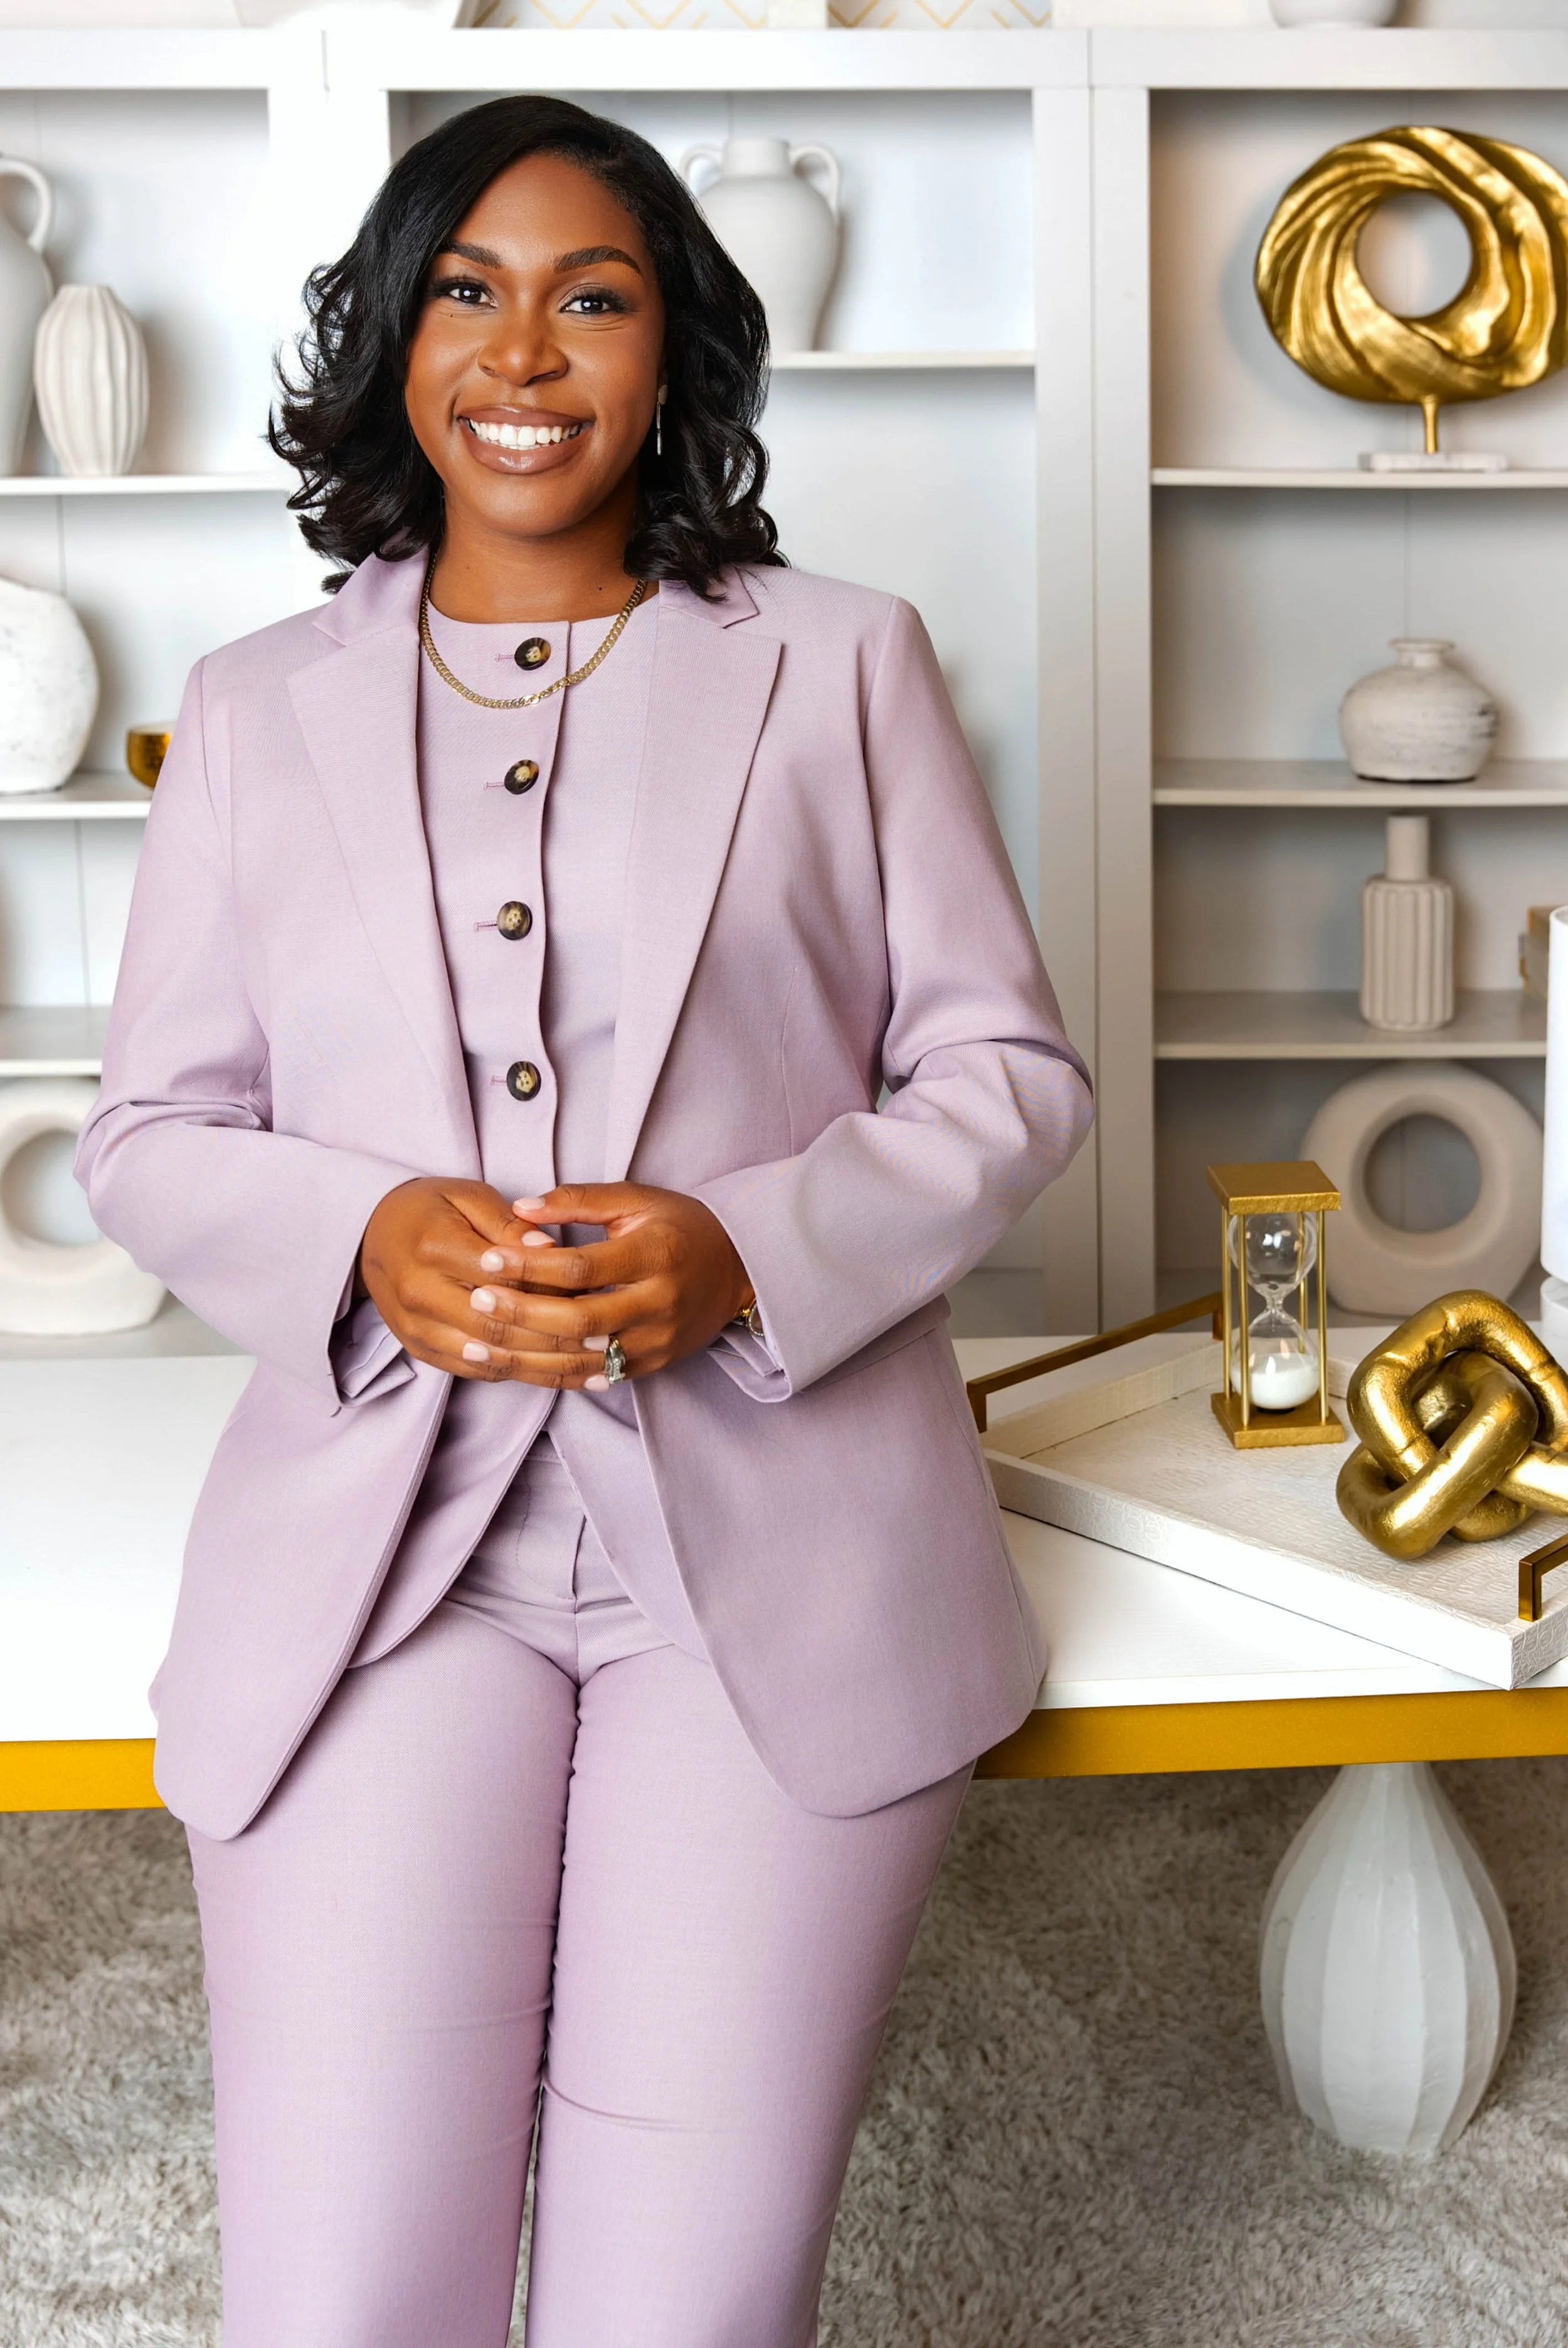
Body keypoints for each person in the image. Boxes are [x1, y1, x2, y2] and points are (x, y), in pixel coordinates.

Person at [77, 93, 1093, 2348]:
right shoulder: (253, 712)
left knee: (684, 2314)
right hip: (383, 1563)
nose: (524, 351)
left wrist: (747, 1246)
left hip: (775, 1554)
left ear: (671, 362)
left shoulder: (838, 663)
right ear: (393, 342)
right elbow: (146, 1129)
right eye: (467, 288)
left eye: (592, 298)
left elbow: (1007, 1076)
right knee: (341, 2303)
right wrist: (361, 1237)